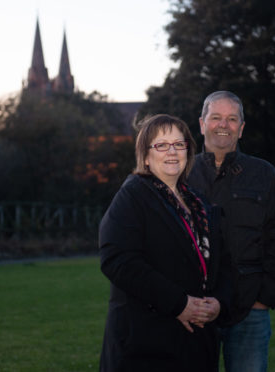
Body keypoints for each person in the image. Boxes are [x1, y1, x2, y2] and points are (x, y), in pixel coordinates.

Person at [99, 114, 232, 372]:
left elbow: (224, 264)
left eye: (178, 144)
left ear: (188, 152)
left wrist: (219, 303)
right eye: (161, 145)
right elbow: (118, 260)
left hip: (197, 344)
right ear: (146, 156)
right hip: (147, 344)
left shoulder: (200, 204)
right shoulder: (133, 194)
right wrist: (179, 304)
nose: (172, 151)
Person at [187, 91, 275, 372]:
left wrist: (264, 299)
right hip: (193, 309)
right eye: (216, 118)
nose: (224, 125)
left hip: (249, 309)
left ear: (242, 128)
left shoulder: (263, 174)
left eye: (232, 119)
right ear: (202, 123)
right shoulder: (181, 173)